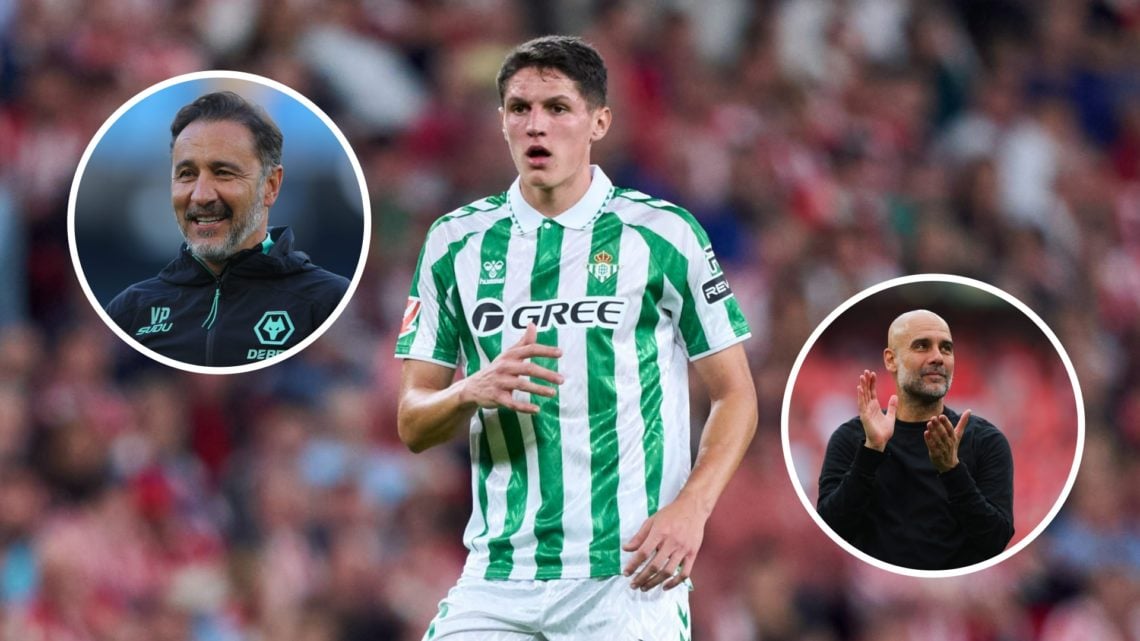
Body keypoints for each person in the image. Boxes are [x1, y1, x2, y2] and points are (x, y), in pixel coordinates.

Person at [395, 35, 757, 639]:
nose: (537, 125)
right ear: (503, 122)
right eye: (520, 109)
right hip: (497, 575)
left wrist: (692, 510)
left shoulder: (664, 235)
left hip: (629, 575)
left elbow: (735, 395)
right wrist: (468, 391)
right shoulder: (454, 242)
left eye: (558, 108)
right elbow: (411, 421)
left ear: (598, 122)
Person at [105, 91, 349, 367]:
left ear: (270, 186)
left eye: (223, 173)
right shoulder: (130, 311)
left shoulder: (328, 302)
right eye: (186, 174)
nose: (201, 195)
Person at [816, 309, 1014, 570]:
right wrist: (872, 452)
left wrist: (952, 471)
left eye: (946, 348)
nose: (937, 358)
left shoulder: (986, 441)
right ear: (891, 360)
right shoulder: (853, 439)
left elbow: (996, 540)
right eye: (922, 346)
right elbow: (831, 528)